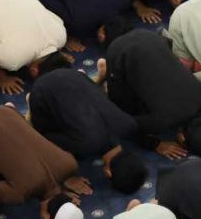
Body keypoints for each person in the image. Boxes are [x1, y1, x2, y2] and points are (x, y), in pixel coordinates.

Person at [27, 63, 148, 193]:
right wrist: (66, 177)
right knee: (47, 137)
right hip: (41, 89)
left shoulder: (128, 124)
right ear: (108, 173)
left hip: (72, 74)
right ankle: (31, 112)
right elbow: (47, 141)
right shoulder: (85, 146)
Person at [100, 26, 201, 155]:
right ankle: (105, 77)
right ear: (182, 138)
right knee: (119, 109)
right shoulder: (160, 122)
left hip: (149, 35)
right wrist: (155, 144)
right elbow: (126, 125)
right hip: (118, 51)